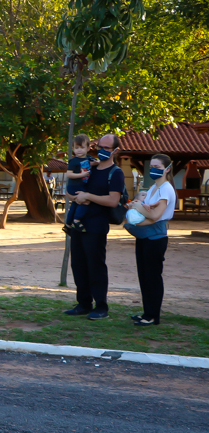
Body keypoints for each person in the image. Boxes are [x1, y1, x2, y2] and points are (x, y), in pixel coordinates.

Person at [63, 133, 126, 320]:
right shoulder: (89, 168)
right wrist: (74, 197)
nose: (102, 150)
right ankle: (83, 303)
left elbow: (113, 201)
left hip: (96, 226)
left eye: (107, 148)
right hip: (78, 226)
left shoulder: (116, 173)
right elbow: (71, 190)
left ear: (115, 150)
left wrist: (89, 197)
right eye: (100, 146)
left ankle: (101, 306)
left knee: (95, 265)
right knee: (78, 264)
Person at [123, 154, 175, 326]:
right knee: (144, 276)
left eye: (157, 167)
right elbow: (148, 213)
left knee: (152, 277)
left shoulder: (166, 189)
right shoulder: (153, 188)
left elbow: (155, 215)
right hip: (145, 236)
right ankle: (147, 313)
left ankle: (153, 316)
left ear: (167, 169)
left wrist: (137, 207)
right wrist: (138, 209)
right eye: (151, 166)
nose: (153, 170)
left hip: (156, 237)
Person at [62, 134, 93, 234]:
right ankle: (76, 220)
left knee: (75, 204)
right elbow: (69, 174)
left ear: (88, 148)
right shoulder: (73, 161)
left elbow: (95, 162)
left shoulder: (88, 158)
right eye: (76, 148)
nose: (79, 150)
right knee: (86, 201)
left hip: (82, 185)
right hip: (75, 186)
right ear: (73, 149)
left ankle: (67, 224)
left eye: (82, 147)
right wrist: (81, 174)